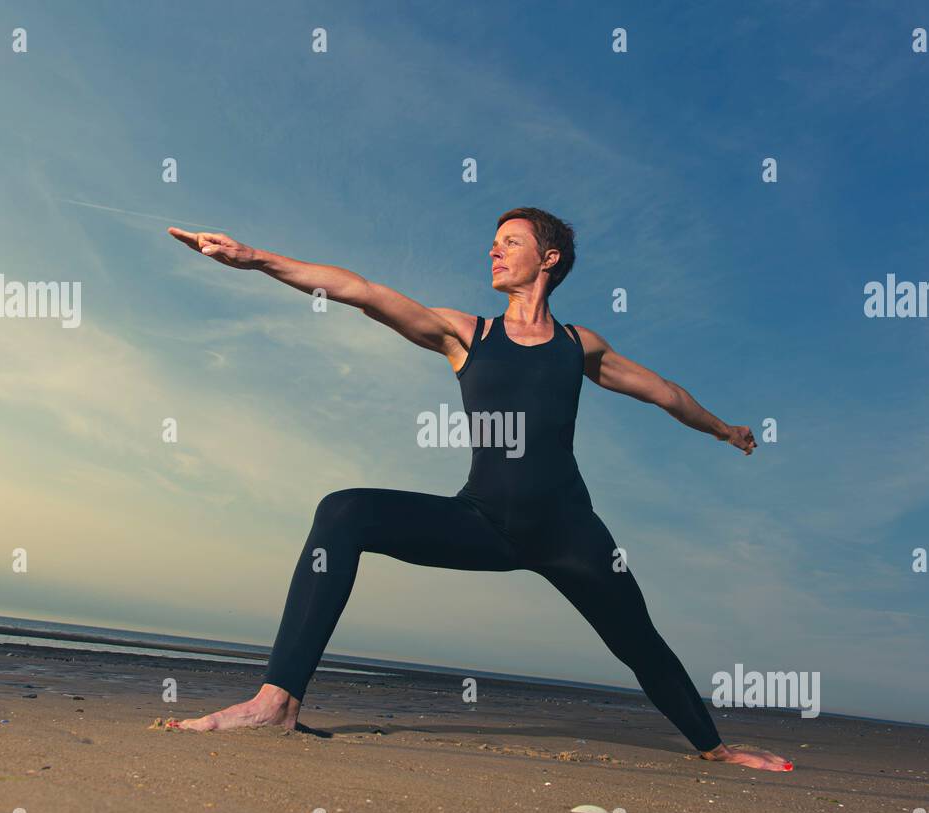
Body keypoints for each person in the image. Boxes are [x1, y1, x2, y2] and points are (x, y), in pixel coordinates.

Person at [168, 207, 791, 773]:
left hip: (570, 532)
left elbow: (666, 393)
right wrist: (255, 259)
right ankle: (277, 701)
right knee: (344, 511)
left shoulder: (580, 345)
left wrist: (722, 430)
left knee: (640, 640)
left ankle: (715, 746)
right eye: (492, 243)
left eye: (510, 242)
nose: (494, 252)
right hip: (484, 522)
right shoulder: (466, 333)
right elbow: (362, 292)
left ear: (548, 259)